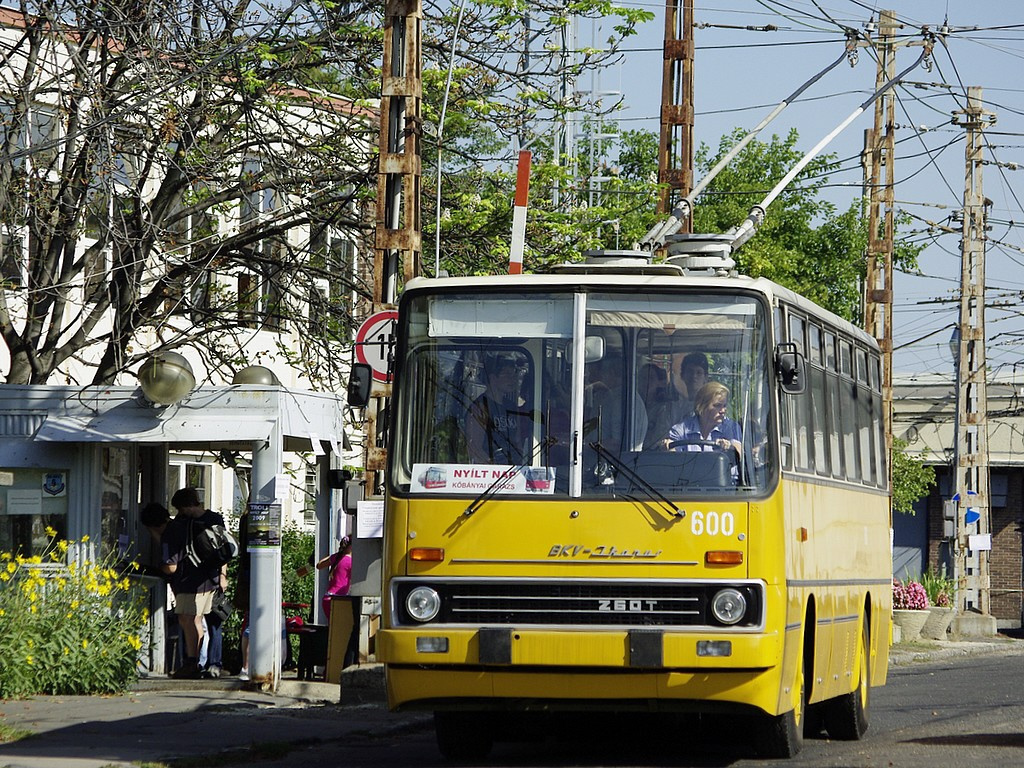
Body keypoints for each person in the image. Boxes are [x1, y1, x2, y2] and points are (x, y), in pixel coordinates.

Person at [161, 487, 229, 680]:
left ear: (186, 506)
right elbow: (224, 549)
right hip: (211, 577)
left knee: (190, 619)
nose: (179, 514)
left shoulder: (182, 525)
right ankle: (206, 663)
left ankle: (194, 662)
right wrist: (222, 575)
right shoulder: (214, 519)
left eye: (181, 509)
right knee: (202, 620)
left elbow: (171, 564)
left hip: (192, 579)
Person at [465, 354, 530, 464]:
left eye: (514, 374)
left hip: (513, 470)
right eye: (507, 374)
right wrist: (494, 468)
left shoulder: (512, 407)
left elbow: (517, 442)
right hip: (491, 472)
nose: (513, 379)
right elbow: (474, 448)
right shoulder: (479, 408)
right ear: (492, 377)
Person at [665, 381, 743, 455]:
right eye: (717, 405)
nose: (723, 411)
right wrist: (668, 448)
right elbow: (673, 459)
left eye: (724, 406)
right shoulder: (682, 430)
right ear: (702, 406)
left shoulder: (731, 427)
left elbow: (739, 453)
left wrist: (730, 446)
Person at [317, 535, 352, 619]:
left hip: (328, 598)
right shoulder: (351, 562)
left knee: (333, 628)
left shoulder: (336, 558)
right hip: (339, 599)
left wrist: (334, 556)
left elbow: (319, 565)